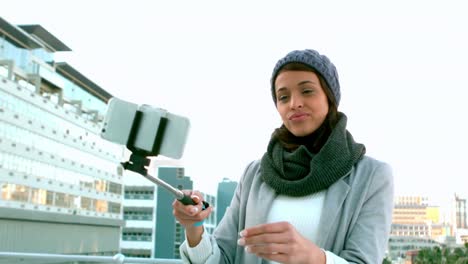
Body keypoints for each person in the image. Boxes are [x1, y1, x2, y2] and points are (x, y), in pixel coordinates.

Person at [172, 49, 394, 264]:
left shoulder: (372, 176)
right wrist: (194, 228)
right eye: (283, 96)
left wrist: (315, 258)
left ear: (330, 97)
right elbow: (224, 258)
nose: (294, 103)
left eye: (307, 91)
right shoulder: (255, 174)